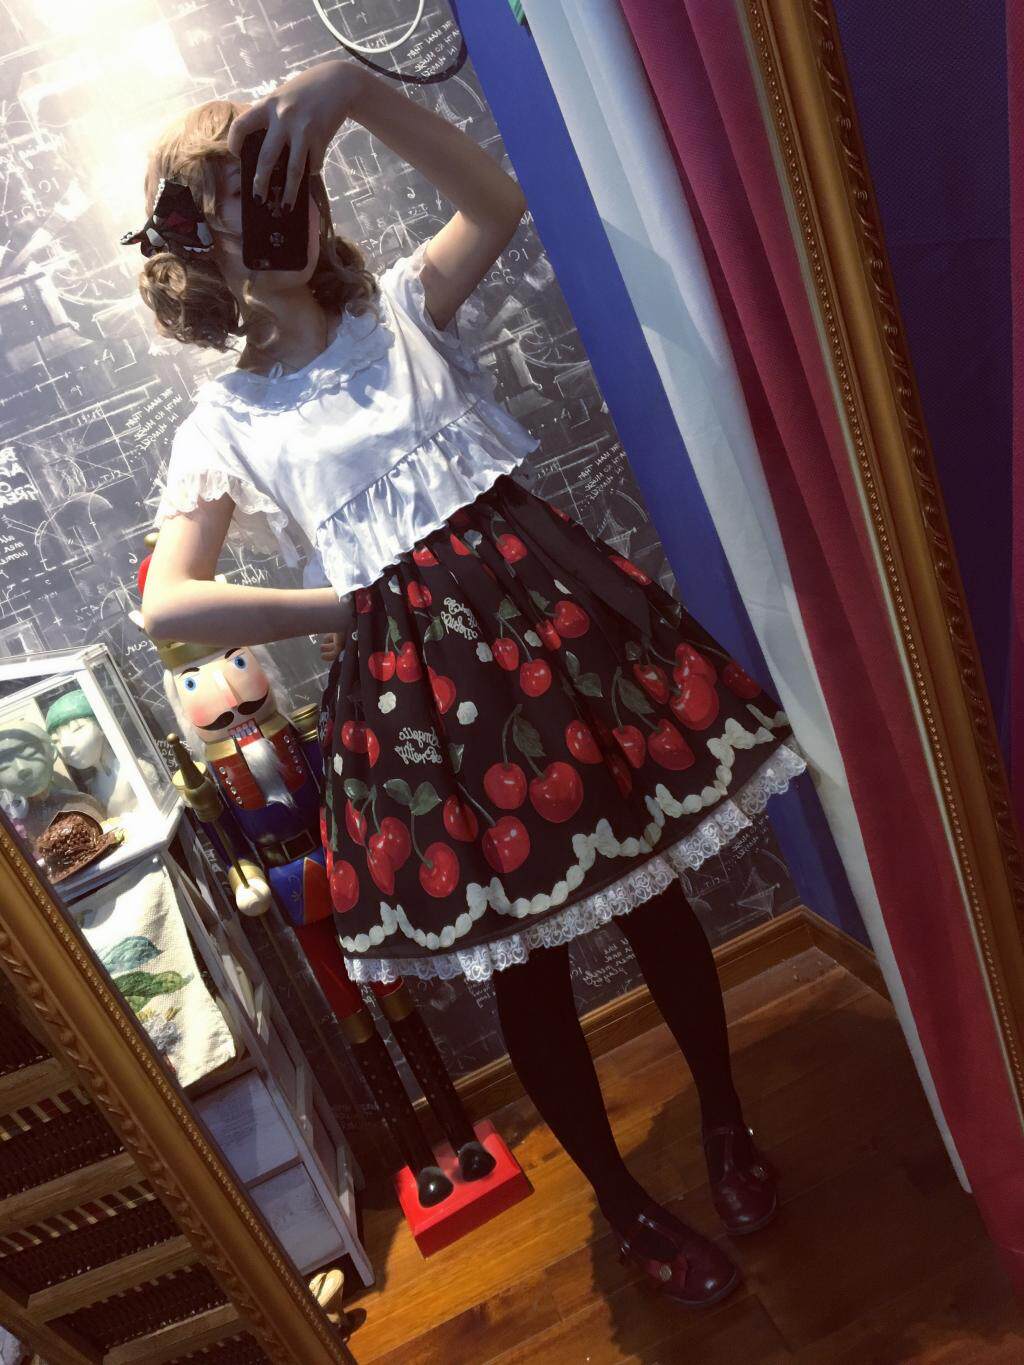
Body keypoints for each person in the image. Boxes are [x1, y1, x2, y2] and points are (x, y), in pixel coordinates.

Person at [131, 55, 807, 1309]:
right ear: (194, 246)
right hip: (423, 706)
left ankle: (724, 1119)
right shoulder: (221, 426)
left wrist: (353, 94)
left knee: (653, 896)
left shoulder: (399, 310)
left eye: (290, 184)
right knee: (523, 966)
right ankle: (622, 1201)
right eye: (242, 205)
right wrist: (339, 606)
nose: (282, 215)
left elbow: (496, 201)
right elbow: (167, 602)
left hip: (555, 635)